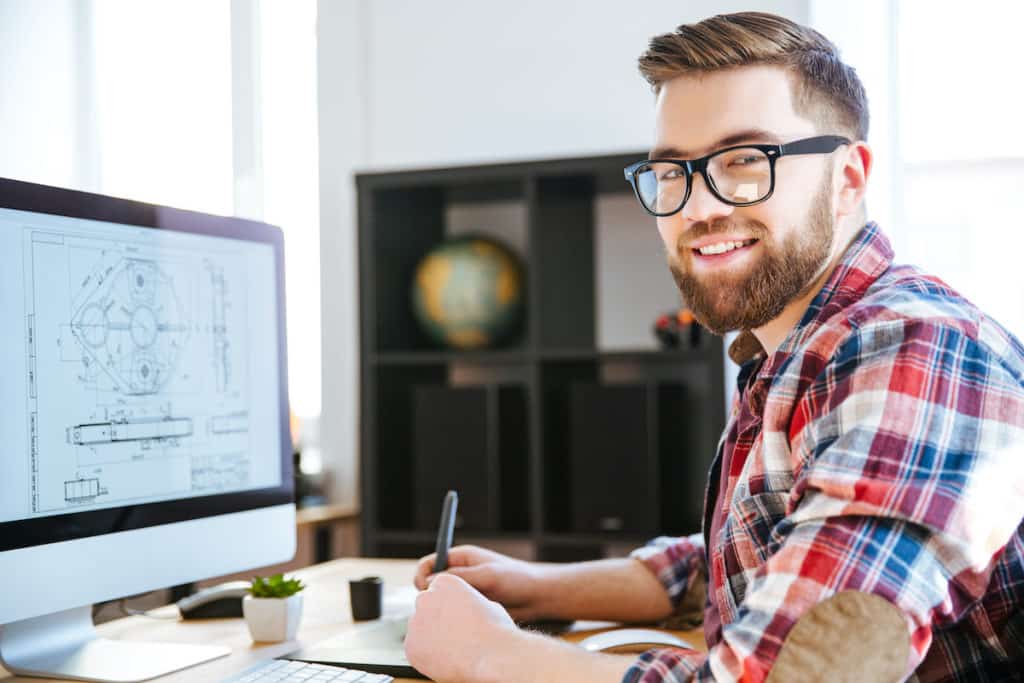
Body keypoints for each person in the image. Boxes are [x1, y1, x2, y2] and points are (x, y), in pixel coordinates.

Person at [403, 11, 1024, 682]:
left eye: (744, 161)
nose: (697, 209)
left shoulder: (914, 353)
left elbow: (792, 676)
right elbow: (752, 558)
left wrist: (491, 653)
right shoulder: (796, 349)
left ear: (849, 178)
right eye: (673, 173)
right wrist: (531, 586)